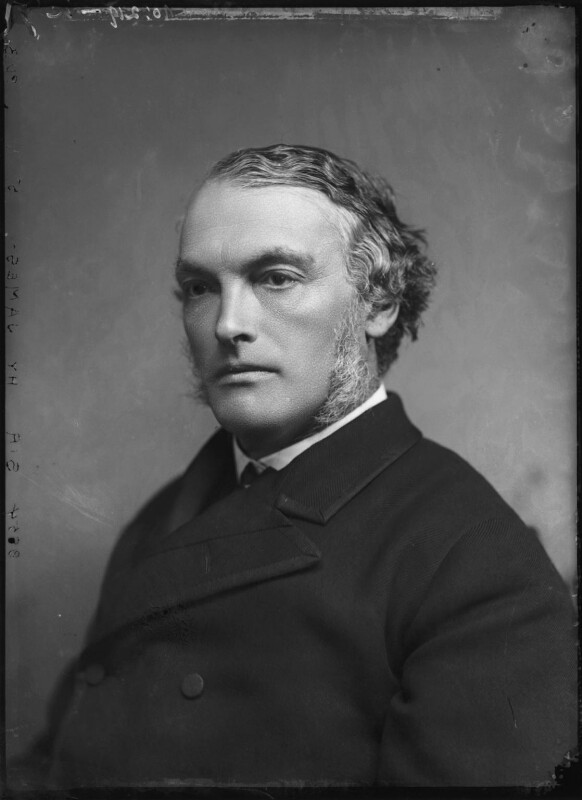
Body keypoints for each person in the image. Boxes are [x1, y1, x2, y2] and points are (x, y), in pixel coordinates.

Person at [38, 145, 576, 789]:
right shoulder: (162, 518)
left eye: (276, 278)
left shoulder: (475, 563)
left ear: (378, 303)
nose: (228, 324)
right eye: (201, 287)